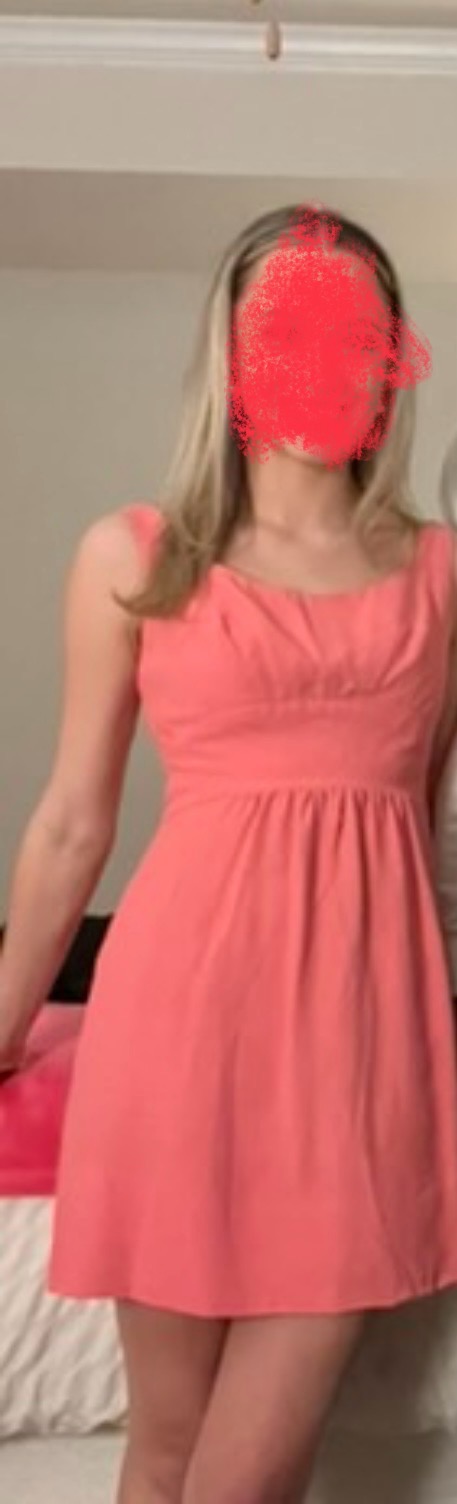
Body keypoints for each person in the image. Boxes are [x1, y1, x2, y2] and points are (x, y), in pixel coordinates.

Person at [1, 201, 457, 1504]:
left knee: (244, 1479)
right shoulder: (135, 559)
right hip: (176, 1029)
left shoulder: (440, 578)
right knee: (165, 1452)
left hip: (357, 1054)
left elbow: (421, 837)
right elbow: (71, 821)